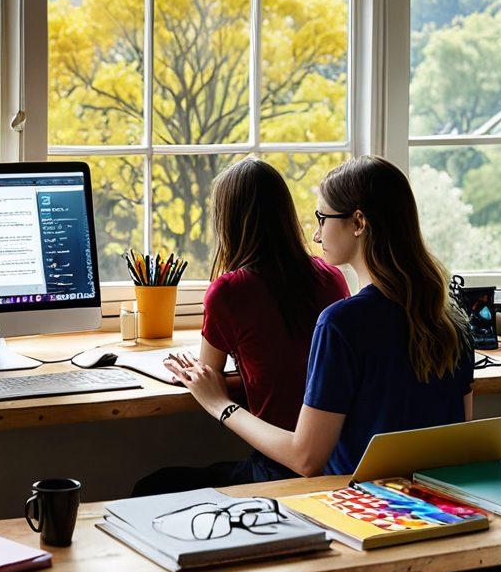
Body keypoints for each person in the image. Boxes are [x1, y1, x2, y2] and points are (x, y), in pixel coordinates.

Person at [166, 155, 476, 572]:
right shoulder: (448, 320)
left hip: (363, 566)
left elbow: (307, 459)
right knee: (266, 501)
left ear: (359, 223)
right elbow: (461, 445)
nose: (314, 233)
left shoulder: (342, 324)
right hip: (445, 565)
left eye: (322, 219)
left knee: (261, 511)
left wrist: (220, 404)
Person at [133, 156, 350, 496]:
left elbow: (209, 374)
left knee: (151, 487)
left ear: (226, 222)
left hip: (279, 468)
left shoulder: (229, 292)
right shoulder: (330, 277)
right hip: (336, 462)